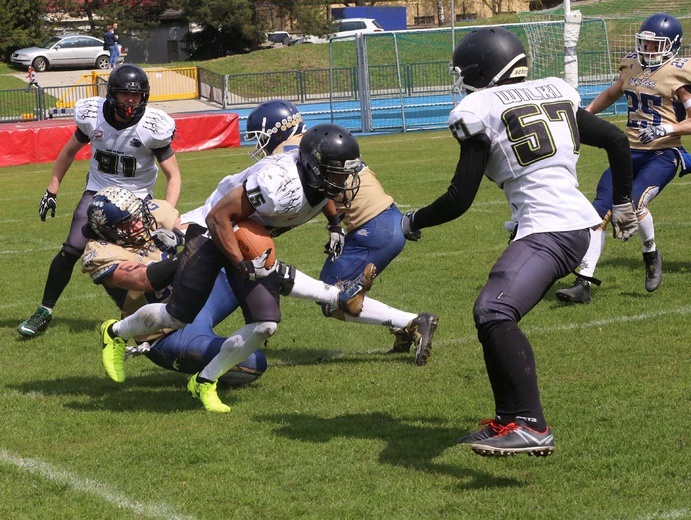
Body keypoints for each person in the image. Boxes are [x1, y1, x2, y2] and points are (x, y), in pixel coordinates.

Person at [399, 27, 637, 457]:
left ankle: (531, 424)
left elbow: (458, 199)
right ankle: (509, 419)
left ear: (483, 70)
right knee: (492, 313)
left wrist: (411, 221)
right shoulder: (553, 91)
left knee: (494, 309)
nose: (462, 82)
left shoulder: (479, 108)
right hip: (568, 224)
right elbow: (618, 140)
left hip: (553, 227)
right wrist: (623, 203)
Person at [99, 124, 377, 412]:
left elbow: (321, 194)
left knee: (265, 325)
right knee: (176, 317)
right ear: (314, 167)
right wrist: (240, 264)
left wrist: (334, 225)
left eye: (345, 174)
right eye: (337, 173)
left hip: (247, 236)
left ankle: (205, 381)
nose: (343, 181)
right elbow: (219, 216)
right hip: (211, 231)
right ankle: (116, 333)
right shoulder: (277, 185)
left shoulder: (317, 179)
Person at [245, 99, 438, 365]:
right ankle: (402, 327)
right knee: (335, 293)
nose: (258, 145)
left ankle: (412, 323)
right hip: (385, 219)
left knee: (333, 298)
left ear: (277, 130)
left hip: (372, 228)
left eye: (261, 137)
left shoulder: (291, 152)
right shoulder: (321, 142)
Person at [17, 64, 181, 338]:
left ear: (145, 96)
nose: (130, 101)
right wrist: (52, 189)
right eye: (124, 95)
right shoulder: (93, 116)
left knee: (147, 258)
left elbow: (173, 176)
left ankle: (151, 319)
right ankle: (44, 310)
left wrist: (167, 211)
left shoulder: (153, 127)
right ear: (111, 94)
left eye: (136, 95)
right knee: (71, 249)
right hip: (98, 193)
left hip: (137, 199)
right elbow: (69, 151)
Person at [556, 13, 690, 303]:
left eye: (655, 45)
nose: (648, 50)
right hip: (626, 152)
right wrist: (583, 117)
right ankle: (584, 282)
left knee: (633, 203)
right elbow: (611, 93)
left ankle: (651, 254)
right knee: (598, 213)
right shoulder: (632, 65)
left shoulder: (679, 74)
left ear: (672, 46)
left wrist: (667, 127)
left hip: (663, 153)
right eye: (645, 43)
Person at [81, 186, 267, 387]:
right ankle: (201, 382)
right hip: (165, 334)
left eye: (137, 215)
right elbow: (145, 280)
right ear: (107, 230)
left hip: (197, 300)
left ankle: (287, 288)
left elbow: (195, 227)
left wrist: (181, 237)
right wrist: (188, 251)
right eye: (127, 223)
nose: (138, 224)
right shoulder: (101, 253)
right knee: (253, 362)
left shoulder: (154, 212)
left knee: (256, 266)